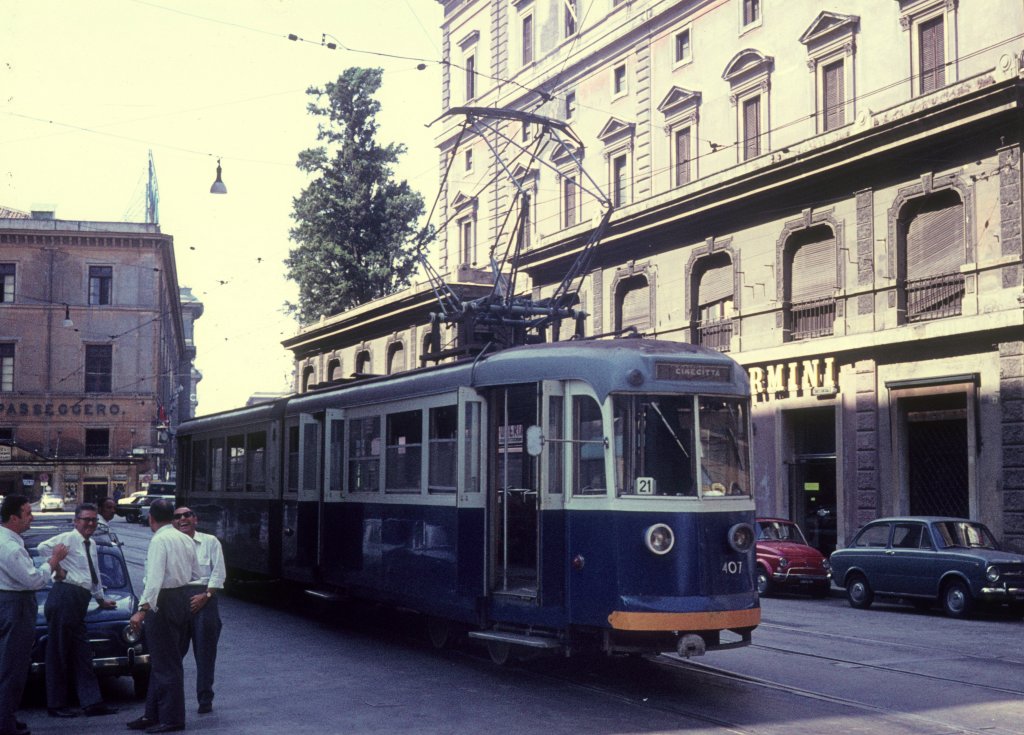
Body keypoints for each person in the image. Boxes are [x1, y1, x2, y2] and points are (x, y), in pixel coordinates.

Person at [35, 503, 120, 718]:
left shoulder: (90, 544)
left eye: (93, 519)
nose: (90, 523)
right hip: (65, 597)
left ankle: (92, 703)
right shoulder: (69, 538)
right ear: (76, 521)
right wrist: (59, 569)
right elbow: (42, 548)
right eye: (85, 519)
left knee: (82, 654)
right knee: (58, 652)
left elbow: (94, 574)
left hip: (79, 601)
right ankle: (56, 704)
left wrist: (100, 600)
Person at [126, 499, 201, 734]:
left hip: (163, 602)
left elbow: (155, 579)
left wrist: (141, 610)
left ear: (151, 518)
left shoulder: (159, 540)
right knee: (164, 662)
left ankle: (173, 718)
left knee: (166, 665)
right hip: (181, 598)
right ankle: (153, 713)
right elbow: (196, 572)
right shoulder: (184, 538)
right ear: (173, 517)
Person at [0, 494, 67, 735]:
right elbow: (34, 580)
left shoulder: (8, 540)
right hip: (15, 606)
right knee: (13, 666)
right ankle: (5, 723)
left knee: (10, 664)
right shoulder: (8, 546)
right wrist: (54, 560)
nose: (32, 517)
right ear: (13, 517)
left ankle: (6, 714)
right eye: (27, 513)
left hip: (10, 603)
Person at [172, 507, 224, 715]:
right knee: (173, 654)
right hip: (177, 599)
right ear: (173, 522)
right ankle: (170, 700)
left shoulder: (210, 542)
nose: (183, 519)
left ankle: (205, 698)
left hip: (205, 598)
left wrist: (206, 595)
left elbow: (218, 572)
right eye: (178, 517)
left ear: (195, 519)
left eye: (187, 515)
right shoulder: (169, 543)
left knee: (205, 654)